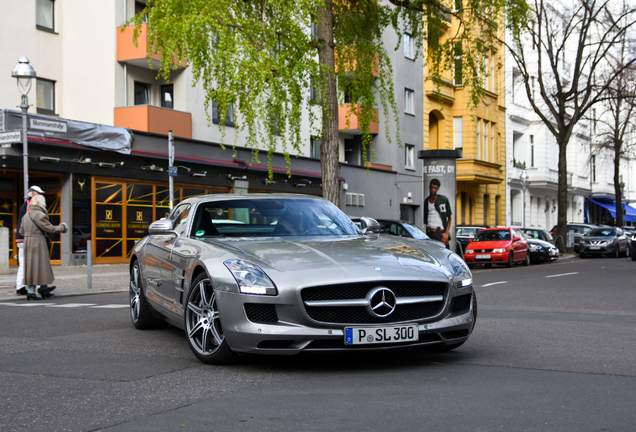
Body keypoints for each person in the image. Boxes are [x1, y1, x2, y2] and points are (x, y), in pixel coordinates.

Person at [19, 194, 68, 301]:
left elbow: (21, 231)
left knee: (31, 267)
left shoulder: (26, 216)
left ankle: (42, 289)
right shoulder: (40, 215)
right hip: (38, 242)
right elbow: (50, 229)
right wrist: (63, 227)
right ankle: (33, 292)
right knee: (39, 266)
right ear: (41, 203)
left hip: (28, 242)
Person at [15, 185, 45, 296]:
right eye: (38, 193)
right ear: (32, 193)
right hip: (26, 238)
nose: (39, 196)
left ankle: (21, 287)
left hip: (21, 238)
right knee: (32, 263)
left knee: (24, 263)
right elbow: (31, 220)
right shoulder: (29, 205)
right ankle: (37, 287)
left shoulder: (25, 204)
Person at [424, 178, 452, 247]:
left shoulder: (443, 199)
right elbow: (425, 219)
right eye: (432, 187)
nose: (433, 189)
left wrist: (446, 232)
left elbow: (449, 217)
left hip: (440, 232)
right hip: (429, 233)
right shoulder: (426, 201)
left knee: (443, 253)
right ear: (429, 187)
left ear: (438, 189)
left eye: (435, 188)